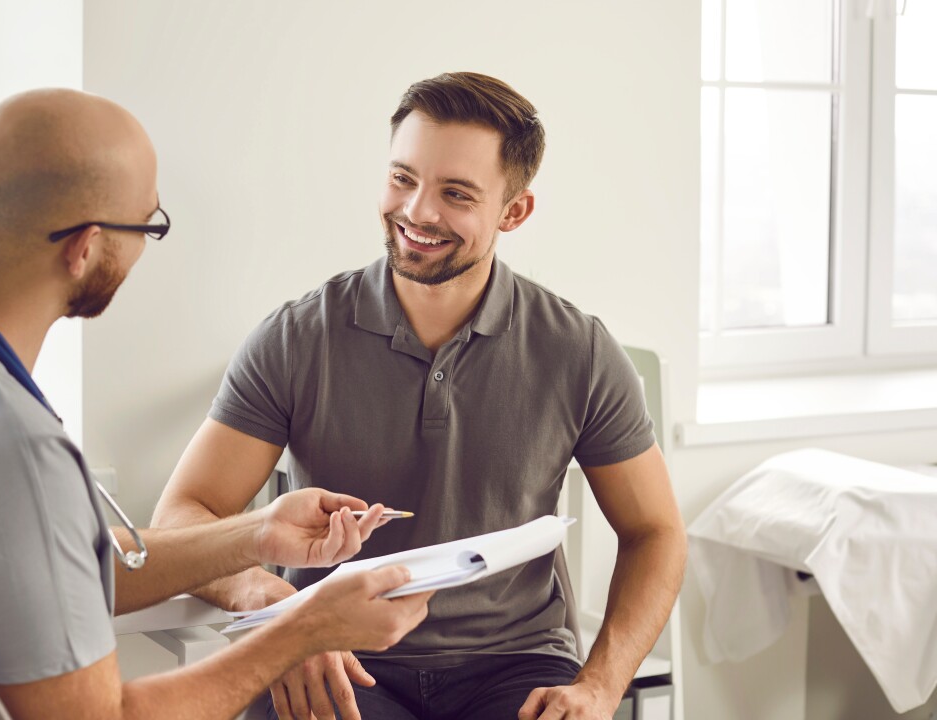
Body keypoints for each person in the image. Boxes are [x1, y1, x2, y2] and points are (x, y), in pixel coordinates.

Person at [0, 88, 434, 720]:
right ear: (85, 247)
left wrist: (253, 537)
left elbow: (50, 570)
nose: (146, 246)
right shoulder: (12, 450)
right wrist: (305, 628)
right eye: (149, 224)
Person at [152, 72, 688, 720]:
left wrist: (601, 686)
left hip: (514, 667)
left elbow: (655, 532)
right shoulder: (296, 338)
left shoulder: (578, 350)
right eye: (403, 179)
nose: (417, 212)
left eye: (455, 193)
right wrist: (277, 612)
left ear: (513, 211)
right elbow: (185, 514)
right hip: (334, 654)